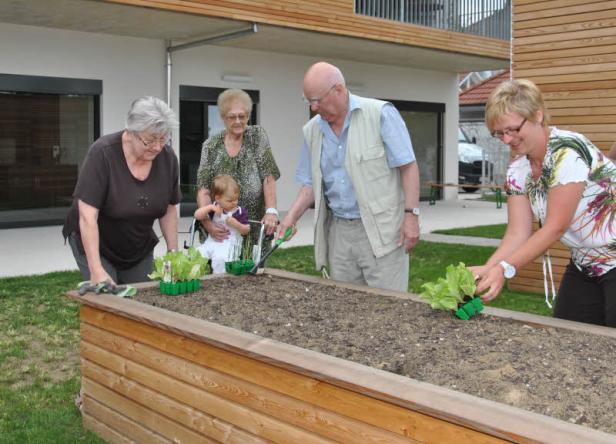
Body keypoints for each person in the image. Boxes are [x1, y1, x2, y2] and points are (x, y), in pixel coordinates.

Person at [471, 79, 616, 327]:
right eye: (499, 133)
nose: (507, 140)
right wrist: (489, 268)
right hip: (586, 262)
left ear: (538, 115)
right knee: (569, 339)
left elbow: (555, 227)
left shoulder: (567, 152)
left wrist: (506, 268)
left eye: (513, 129)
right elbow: (518, 233)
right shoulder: (518, 169)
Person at [278, 61, 420, 292]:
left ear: (339, 90)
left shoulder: (380, 114)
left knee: (388, 309)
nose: (313, 108)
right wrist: (290, 218)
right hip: (340, 234)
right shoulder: (312, 131)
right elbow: (310, 184)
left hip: (382, 232)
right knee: (345, 308)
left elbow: (408, 166)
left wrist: (411, 216)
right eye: (308, 101)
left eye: (317, 100)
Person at [62, 96, 180, 286]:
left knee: (141, 301)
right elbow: (87, 217)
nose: (157, 147)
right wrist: (96, 269)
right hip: (98, 243)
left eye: (163, 138)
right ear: (131, 132)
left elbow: (168, 209)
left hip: (137, 245)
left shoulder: (167, 159)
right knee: (108, 299)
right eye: (149, 141)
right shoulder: (103, 153)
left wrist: (173, 254)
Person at [196, 88, 280, 246]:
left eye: (242, 116)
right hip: (221, 231)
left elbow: (268, 177)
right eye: (232, 117)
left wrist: (271, 211)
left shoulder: (257, 137)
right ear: (223, 118)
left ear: (248, 115)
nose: (238, 121)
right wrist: (208, 225)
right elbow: (204, 190)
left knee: (253, 270)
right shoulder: (210, 146)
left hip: (251, 229)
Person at [195, 175, 250, 274]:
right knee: (196, 254)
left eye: (236, 199)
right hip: (211, 242)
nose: (234, 203)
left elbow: (246, 230)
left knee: (220, 259)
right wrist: (209, 208)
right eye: (230, 200)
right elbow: (197, 215)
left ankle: (220, 281)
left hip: (229, 245)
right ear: (218, 198)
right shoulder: (215, 207)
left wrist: (236, 224)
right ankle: (195, 277)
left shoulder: (239, 212)